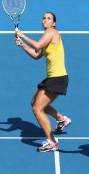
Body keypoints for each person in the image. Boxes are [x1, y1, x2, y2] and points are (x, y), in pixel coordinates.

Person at [15, 12, 71, 152]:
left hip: (58, 78)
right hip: (53, 78)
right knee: (35, 103)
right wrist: (22, 45)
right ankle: (61, 119)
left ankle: (52, 142)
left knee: (37, 108)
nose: (45, 20)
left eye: (49, 18)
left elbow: (37, 45)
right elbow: (36, 55)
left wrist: (21, 35)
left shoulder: (52, 32)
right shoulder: (48, 37)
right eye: (44, 18)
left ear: (54, 23)